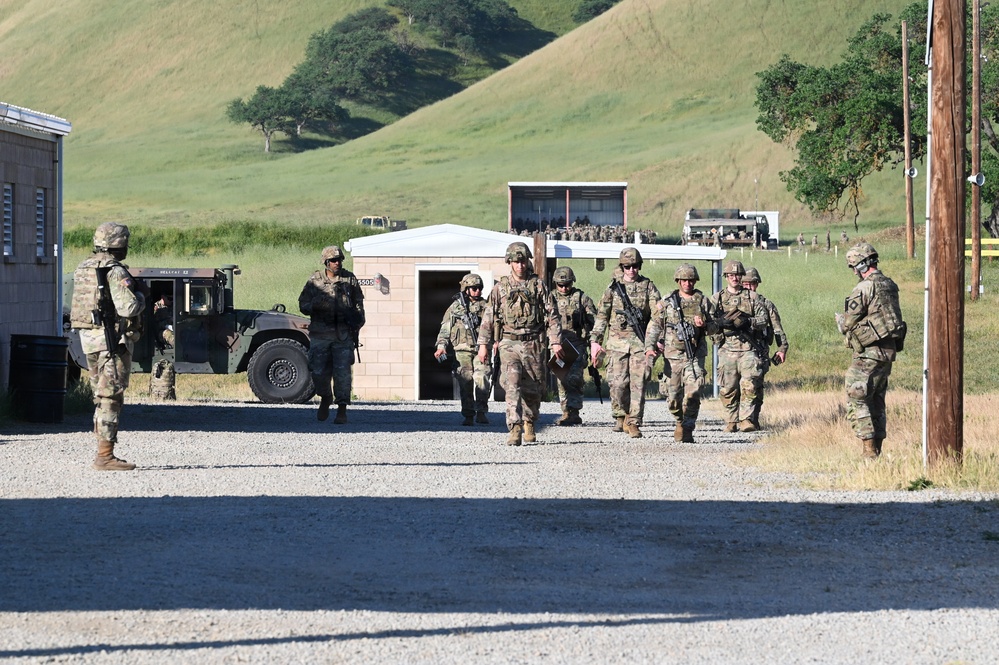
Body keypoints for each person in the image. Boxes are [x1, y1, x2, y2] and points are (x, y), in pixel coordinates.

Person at [69, 222, 147, 471]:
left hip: (89, 340)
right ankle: (105, 456)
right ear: (118, 244)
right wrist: (143, 296)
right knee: (110, 397)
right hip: (110, 342)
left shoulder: (84, 267)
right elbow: (128, 308)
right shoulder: (114, 270)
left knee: (101, 396)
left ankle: (103, 450)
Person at [476, 241, 563, 446]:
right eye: (516, 261)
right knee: (512, 383)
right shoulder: (501, 288)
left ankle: (529, 421)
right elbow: (488, 316)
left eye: (523, 261)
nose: (520, 265)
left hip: (533, 343)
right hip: (509, 343)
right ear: (510, 262)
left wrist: (556, 342)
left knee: (533, 387)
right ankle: (514, 428)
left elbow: (552, 314)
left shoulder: (538, 285)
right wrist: (483, 345)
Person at [836, 242, 906, 459]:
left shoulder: (864, 287)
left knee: (856, 396)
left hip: (868, 352)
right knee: (876, 399)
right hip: (887, 352)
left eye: (853, 266)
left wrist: (841, 321)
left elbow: (848, 321)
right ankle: (877, 449)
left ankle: (868, 451)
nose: (853, 271)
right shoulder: (889, 284)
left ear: (861, 264)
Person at [590, 247, 661, 438]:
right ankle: (621, 414)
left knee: (638, 383)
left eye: (635, 266)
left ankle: (634, 421)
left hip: (640, 343)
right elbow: (602, 317)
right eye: (628, 266)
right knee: (618, 384)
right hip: (617, 343)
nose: (632, 270)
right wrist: (595, 341)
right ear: (622, 267)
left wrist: (654, 341)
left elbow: (658, 316)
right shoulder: (613, 289)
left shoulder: (648, 287)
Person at [645, 263, 716, 443]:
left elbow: (716, 327)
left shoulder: (703, 301)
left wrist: (705, 325)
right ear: (678, 281)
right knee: (673, 396)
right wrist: (650, 347)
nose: (688, 284)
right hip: (673, 355)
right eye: (684, 280)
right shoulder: (668, 302)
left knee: (694, 392)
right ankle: (679, 420)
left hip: (695, 355)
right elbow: (654, 325)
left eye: (691, 280)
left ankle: (688, 427)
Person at [298, 245, 365, 424]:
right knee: (318, 372)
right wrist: (317, 305)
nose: (337, 263)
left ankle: (342, 408)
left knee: (342, 374)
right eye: (334, 260)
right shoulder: (315, 280)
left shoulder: (349, 279)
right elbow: (302, 305)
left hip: (343, 335)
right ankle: (325, 397)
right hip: (320, 334)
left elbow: (358, 303)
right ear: (326, 262)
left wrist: (357, 322)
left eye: (339, 260)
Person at [708, 260, 768, 433]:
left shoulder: (752, 297)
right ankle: (731, 420)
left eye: (738, 275)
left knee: (749, 384)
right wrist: (721, 324)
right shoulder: (717, 299)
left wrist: (748, 322)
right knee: (728, 388)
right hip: (727, 349)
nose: (735, 278)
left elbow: (763, 320)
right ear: (726, 277)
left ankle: (746, 419)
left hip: (749, 349)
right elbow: (709, 324)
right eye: (731, 275)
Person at [434, 273, 491, 426]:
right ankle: (468, 415)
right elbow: (445, 328)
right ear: (466, 289)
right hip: (462, 351)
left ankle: (481, 411)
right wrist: (441, 346)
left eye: (479, 288)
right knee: (466, 381)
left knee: (482, 378)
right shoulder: (455, 307)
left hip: (481, 349)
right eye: (474, 288)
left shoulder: (486, 307)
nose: (477, 291)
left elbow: (495, 327)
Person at [741, 267, 788, 429]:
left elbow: (777, 329)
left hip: (759, 351)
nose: (748, 287)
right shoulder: (735, 303)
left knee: (756, 387)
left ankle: (752, 419)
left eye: (751, 284)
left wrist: (782, 348)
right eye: (745, 284)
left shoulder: (766, 304)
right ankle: (736, 420)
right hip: (737, 352)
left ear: (757, 285)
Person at [550, 266, 596, 426]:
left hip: (577, 344)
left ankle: (574, 411)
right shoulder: (550, 298)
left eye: (567, 284)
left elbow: (593, 322)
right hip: (558, 345)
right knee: (561, 378)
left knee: (575, 378)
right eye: (560, 285)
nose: (564, 288)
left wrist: (593, 344)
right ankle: (566, 411)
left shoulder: (581, 298)